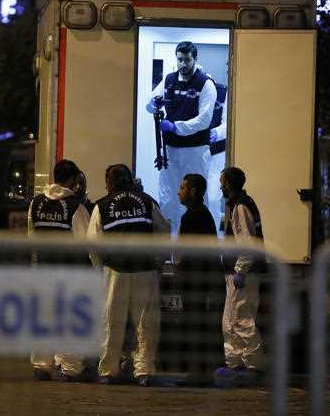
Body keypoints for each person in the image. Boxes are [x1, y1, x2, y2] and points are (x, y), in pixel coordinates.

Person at [87, 164, 171, 387]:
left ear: (109, 182)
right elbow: (164, 231)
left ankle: (108, 370)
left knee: (111, 322)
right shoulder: (146, 202)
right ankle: (144, 371)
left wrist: (99, 269)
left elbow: (93, 243)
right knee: (146, 323)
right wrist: (159, 261)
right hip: (145, 269)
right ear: (130, 180)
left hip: (115, 271)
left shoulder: (102, 206)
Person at [28, 159, 93, 382]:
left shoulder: (36, 203)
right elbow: (88, 243)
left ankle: (41, 366)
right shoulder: (75, 206)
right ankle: (70, 368)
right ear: (73, 179)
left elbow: (31, 239)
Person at [146, 41, 217, 232]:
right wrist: (154, 104)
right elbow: (149, 103)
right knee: (169, 197)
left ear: (195, 59)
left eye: (187, 60)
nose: (183, 64)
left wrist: (176, 127)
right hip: (170, 149)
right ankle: (170, 243)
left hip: (195, 149)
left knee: (196, 198)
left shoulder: (205, 83)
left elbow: (204, 120)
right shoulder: (169, 79)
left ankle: (198, 242)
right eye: (179, 60)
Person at [215, 166, 266, 387]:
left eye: (221, 182)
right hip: (238, 271)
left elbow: (246, 242)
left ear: (228, 184)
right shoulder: (240, 204)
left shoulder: (240, 206)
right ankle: (235, 364)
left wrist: (240, 270)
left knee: (242, 318)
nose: (220, 186)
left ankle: (253, 366)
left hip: (243, 273)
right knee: (231, 319)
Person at [176, 173, 224, 383]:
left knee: (194, 326)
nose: (179, 192)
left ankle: (197, 373)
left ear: (193, 191)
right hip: (202, 280)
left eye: (182, 188)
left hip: (196, 281)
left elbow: (189, 252)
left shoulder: (192, 217)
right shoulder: (202, 214)